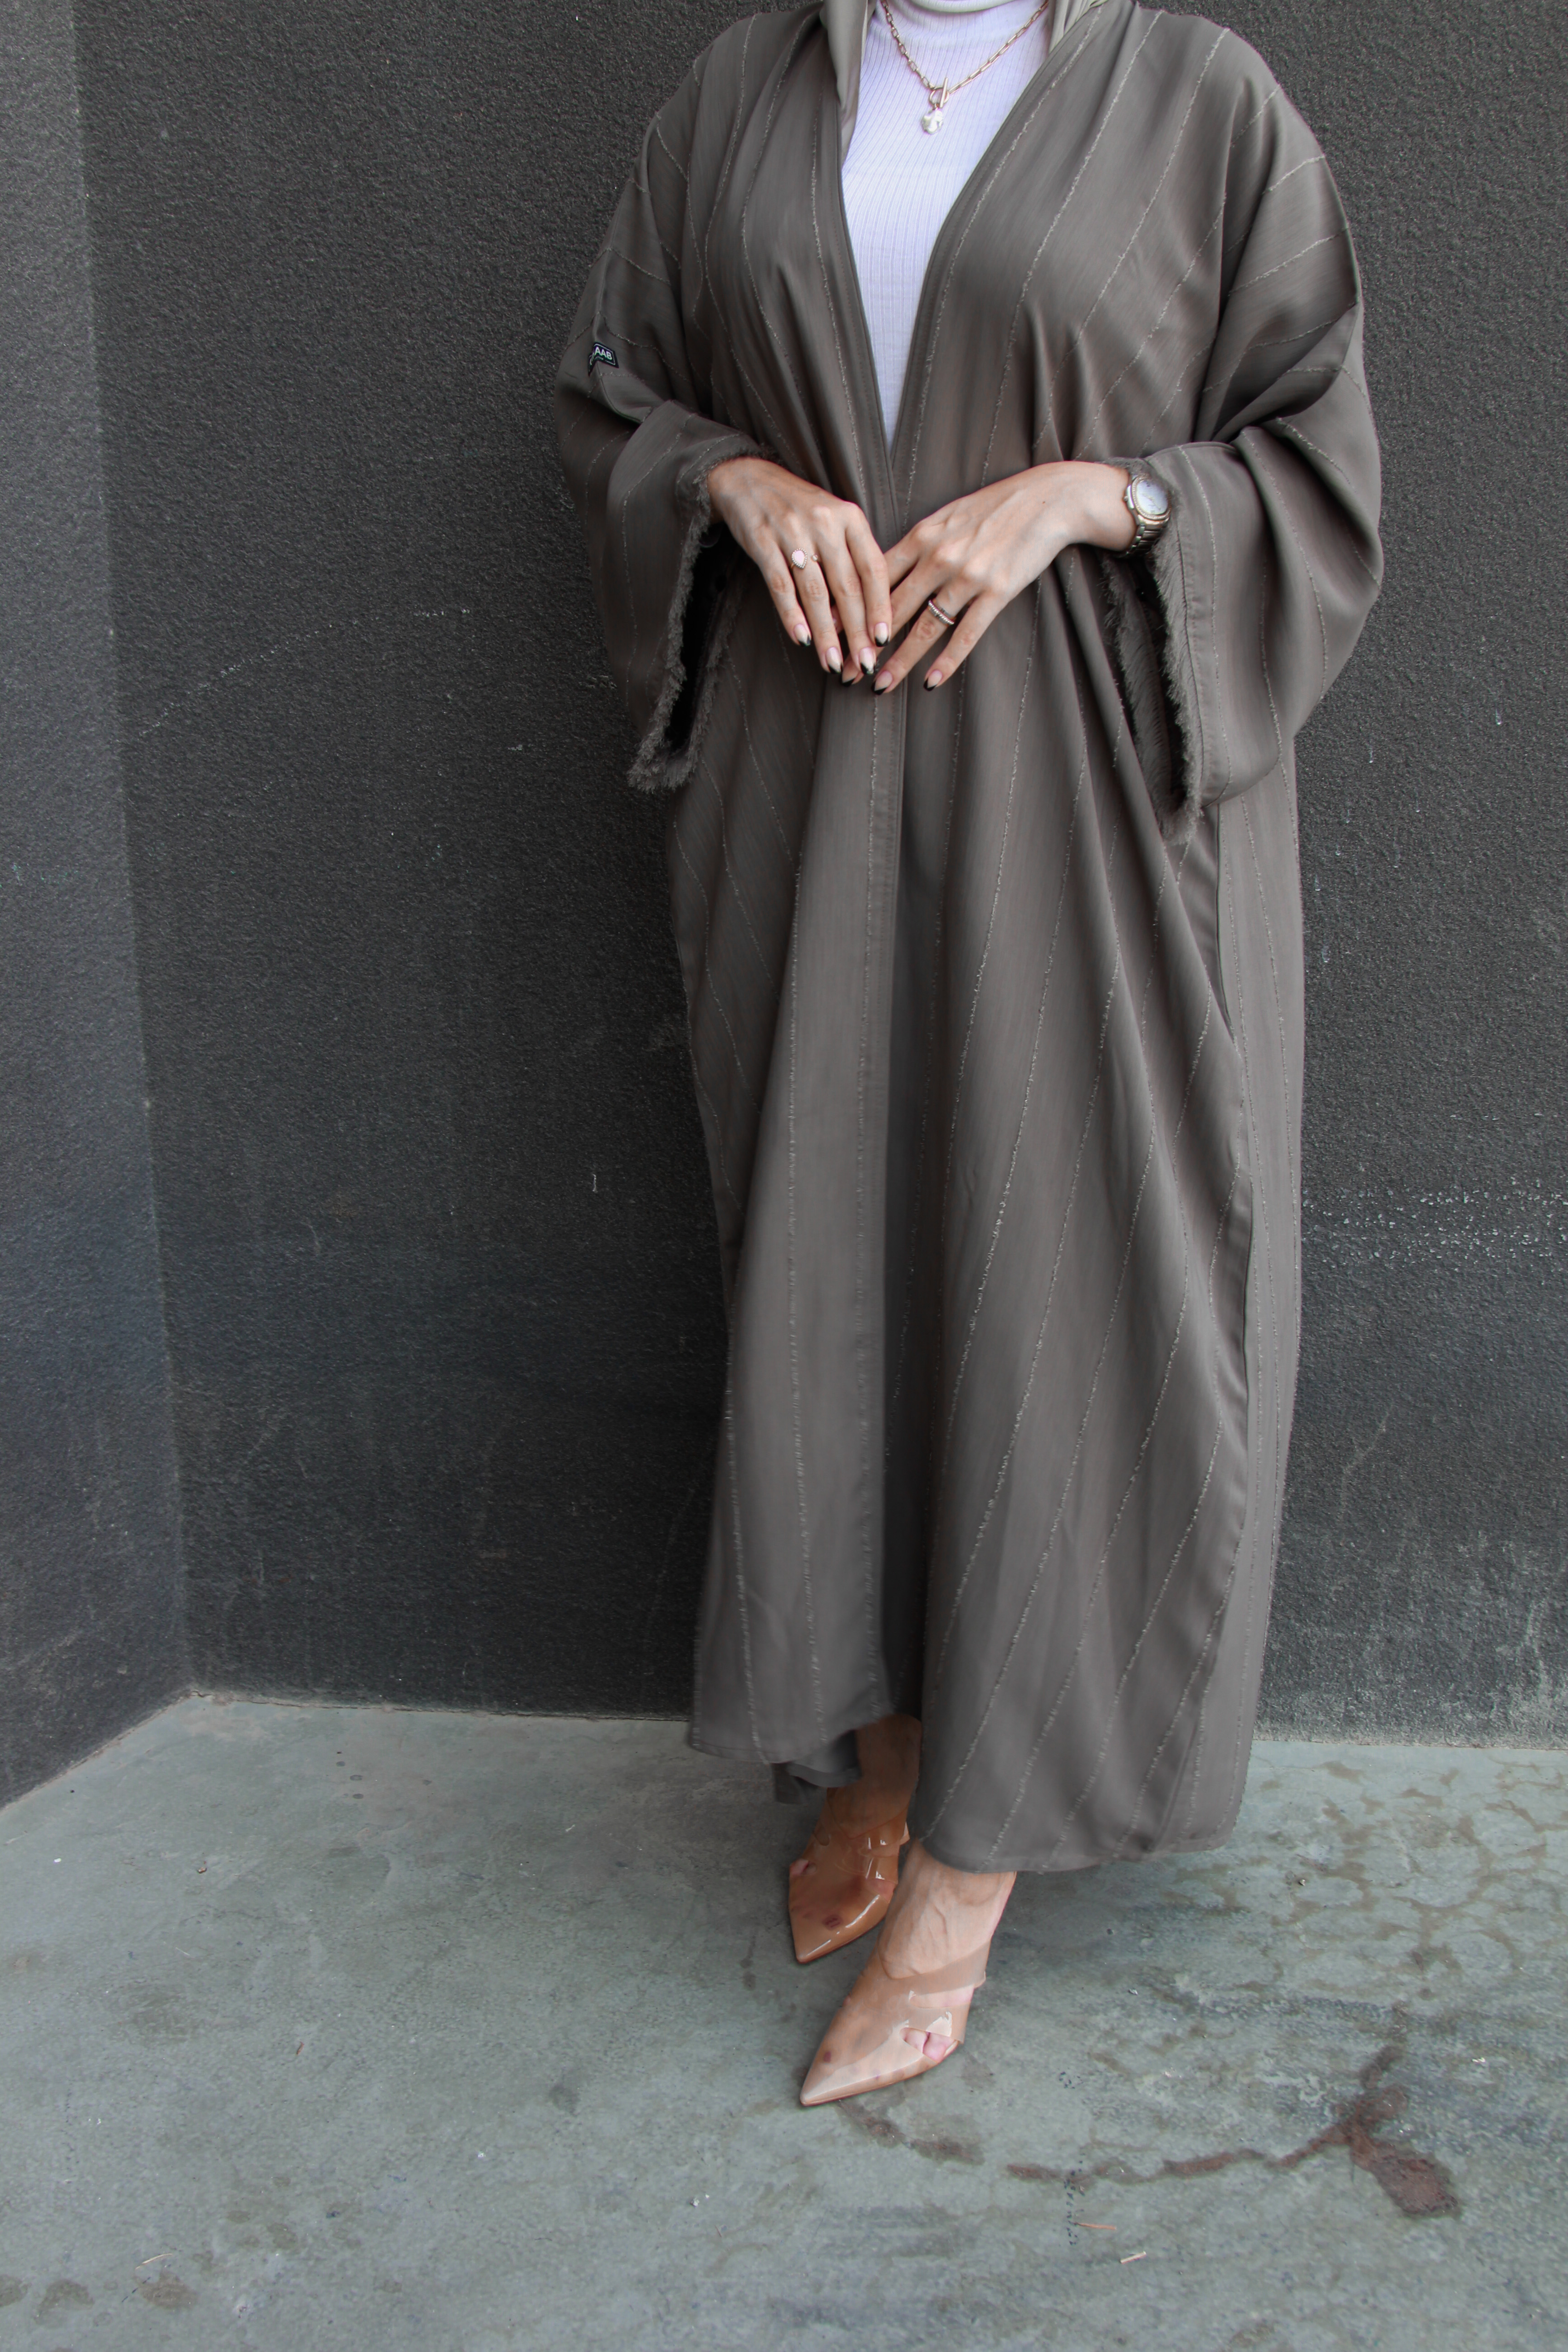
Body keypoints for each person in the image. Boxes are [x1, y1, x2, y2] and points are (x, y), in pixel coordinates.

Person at [556, 0, 1381, 2105]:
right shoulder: (743, 94)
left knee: (1064, 1272)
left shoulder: (1201, 104)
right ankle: (888, 1743)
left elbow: (1317, 463)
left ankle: (974, 1852)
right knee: (848, 1256)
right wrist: (738, 482)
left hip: (1087, 790)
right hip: (811, 780)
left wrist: (1097, 498)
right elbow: (618, 397)